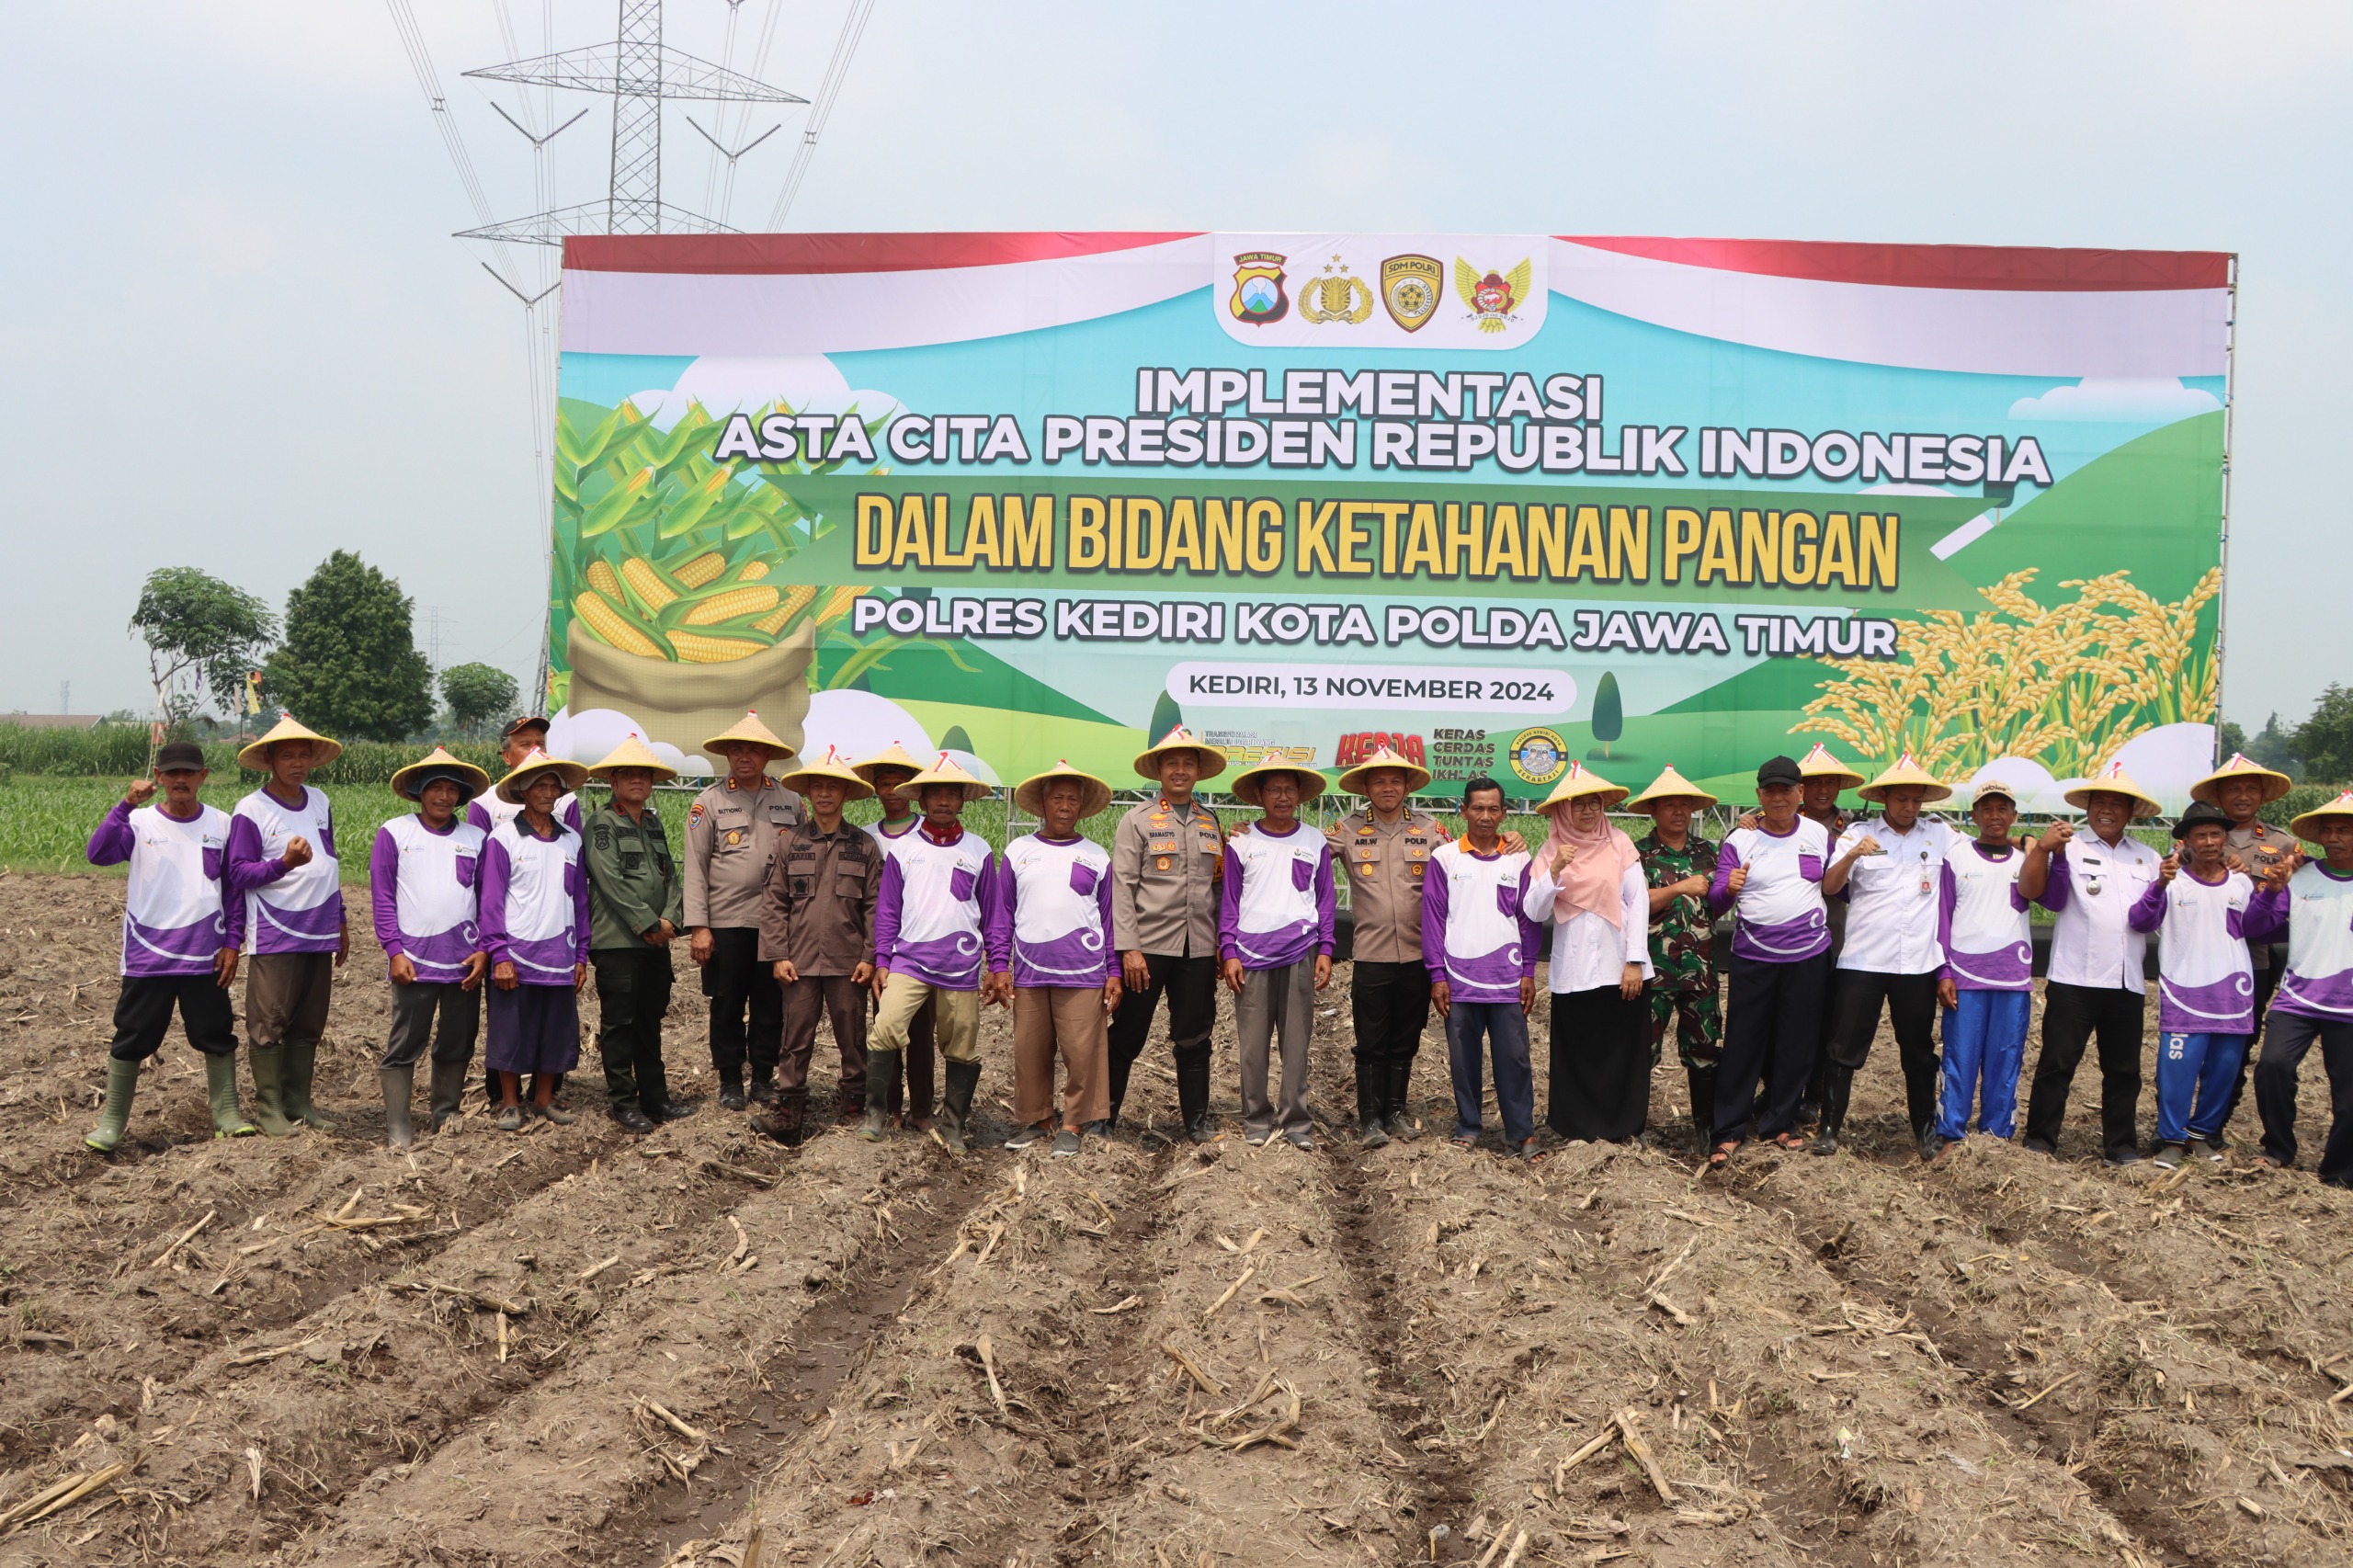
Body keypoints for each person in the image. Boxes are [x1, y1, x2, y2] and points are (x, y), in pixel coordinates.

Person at [83, 741, 256, 1149]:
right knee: (133, 1036)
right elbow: (98, 854)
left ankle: (227, 1114)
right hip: (150, 954)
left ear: (203, 777)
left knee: (215, 1033)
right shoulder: (140, 823)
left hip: (206, 954)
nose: (181, 780)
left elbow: (233, 890)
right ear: (159, 778)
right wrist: (123, 805)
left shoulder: (222, 823)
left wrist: (233, 941)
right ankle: (112, 1123)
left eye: (189, 773)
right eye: (172, 773)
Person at [1815, 754, 1961, 1158]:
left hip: (1916, 963)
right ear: (1884, 798)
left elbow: (1984, 847)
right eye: (1901, 799)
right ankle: (1829, 1129)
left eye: (1916, 800)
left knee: (1918, 1052)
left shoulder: (1939, 835)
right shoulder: (1858, 834)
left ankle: (1926, 1133)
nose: (1909, 808)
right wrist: (1852, 855)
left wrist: (2030, 843)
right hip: (1863, 960)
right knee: (1843, 1049)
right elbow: (1829, 886)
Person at [2020, 762, 2165, 1164]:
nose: (2107, 810)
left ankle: (2120, 1147)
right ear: (2087, 807)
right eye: (2099, 802)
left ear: (2131, 811)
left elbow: (2153, 916)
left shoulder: (2148, 859)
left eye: (2117, 804)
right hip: (2074, 977)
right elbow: (2046, 897)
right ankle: (2040, 1141)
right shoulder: (2070, 847)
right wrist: (2044, 848)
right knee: (2057, 1064)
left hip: (2127, 981)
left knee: (2123, 1072)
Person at [2132, 801, 2288, 1168]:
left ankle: (2201, 1136)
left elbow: (2258, 928)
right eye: (2199, 834)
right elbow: (2140, 921)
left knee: (2223, 1073)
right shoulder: (2173, 881)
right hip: (2184, 996)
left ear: (2224, 838)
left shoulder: (2240, 882)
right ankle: (2172, 1139)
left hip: (2234, 997)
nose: (2208, 841)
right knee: (2177, 1074)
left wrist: (2271, 893)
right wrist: (2158, 884)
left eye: (2215, 834)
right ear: (2185, 840)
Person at [867, 755, 1006, 1153]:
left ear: (962, 801)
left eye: (951, 795)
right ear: (923, 801)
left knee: (960, 1043)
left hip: (961, 965)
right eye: (936, 795)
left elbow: (993, 915)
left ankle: (953, 1125)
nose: (943, 802)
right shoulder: (904, 849)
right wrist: (882, 960)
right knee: (887, 1027)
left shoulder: (979, 850)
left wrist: (998, 964)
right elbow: (888, 910)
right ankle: (876, 1114)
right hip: (908, 959)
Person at [1705, 755, 1835, 1169]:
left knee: (1796, 1042)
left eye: (1786, 790)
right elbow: (1715, 901)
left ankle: (1781, 1122)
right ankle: (1728, 1129)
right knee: (1744, 1043)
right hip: (1754, 956)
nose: (1778, 798)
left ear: (1800, 794)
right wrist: (1728, 888)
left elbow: (1835, 883)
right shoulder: (1740, 840)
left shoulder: (1818, 833)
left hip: (1808, 955)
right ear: (1759, 796)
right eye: (1770, 791)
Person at [223, 713, 347, 1137]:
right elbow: (238, 873)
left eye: (303, 756)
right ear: (270, 761)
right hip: (276, 931)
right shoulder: (251, 810)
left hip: (319, 926)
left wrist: (341, 921)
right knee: (269, 1020)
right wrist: (284, 864)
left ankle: (299, 1101)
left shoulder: (319, 801)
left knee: (309, 1021)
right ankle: (269, 1108)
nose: (297, 763)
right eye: (288, 756)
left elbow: (329, 863)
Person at [754, 745, 882, 1147]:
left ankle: (855, 1108)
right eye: (818, 787)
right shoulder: (790, 842)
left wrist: (869, 956)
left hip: (848, 963)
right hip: (800, 961)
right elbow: (774, 902)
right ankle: (789, 1112)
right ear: (809, 793)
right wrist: (777, 955)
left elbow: (876, 907)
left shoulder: (864, 846)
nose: (825, 794)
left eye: (833, 787)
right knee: (794, 1039)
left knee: (853, 1036)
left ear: (845, 794)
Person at [1107, 726, 1230, 1140]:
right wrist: (1129, 949)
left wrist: (1217, 943)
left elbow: (1218, 885)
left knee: (1195, 1038)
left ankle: (1196, 1121)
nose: (1180, 770)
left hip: (1197, 948)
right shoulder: (1136, 820)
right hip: (1149, 947)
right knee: (1127, 1034)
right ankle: (1103, 1117)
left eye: (1188, 763)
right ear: (1159, 771)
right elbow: (1122, 887)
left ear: (1198, 772)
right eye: (1172, 763)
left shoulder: (1211, 821)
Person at [996, 761, 1120, 1156]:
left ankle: (1073, 1123)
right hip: (1030, 969)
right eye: (1057, 799)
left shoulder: (1097, 855)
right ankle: (1039, 1120)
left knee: (1082, 1051)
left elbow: (1109, 918)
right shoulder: (1018, 851)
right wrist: (999, 964)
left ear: (1082, 806)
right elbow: (1003, 913)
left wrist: (1113, 969)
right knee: (1030, 1049)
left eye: (1072, 800)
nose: (1065, 807)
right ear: (1043, 805)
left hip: (1084, 971)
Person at [369, 747, 492, 1147]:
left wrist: (485, 950)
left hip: (464, 959)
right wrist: (394, 950)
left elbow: (489, 899)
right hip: (414, 960)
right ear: (419, 792)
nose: (443, 796)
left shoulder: (477, 838)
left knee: (458, 1039)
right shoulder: (396, 833)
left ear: (461, 795)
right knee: (405, 1041)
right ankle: (399, 1124)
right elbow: (383, 896)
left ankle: (446, 1115)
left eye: (451, 789)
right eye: (435, 788)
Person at [1524, 764, 1651, 1145]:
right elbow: (1534, 910)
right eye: (1577, 805)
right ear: (1563, 811)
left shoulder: (1620, 844)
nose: (1587, 812)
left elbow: (1638, 901)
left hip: (1618, 968)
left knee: (1620, 1050)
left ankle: (1624, 1126)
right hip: (1575, 968)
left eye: (1593, 804)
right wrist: (1556, 869)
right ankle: (1576, 1127)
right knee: (1577, 1050)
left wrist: (1634, 961)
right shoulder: (1549, 851)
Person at [685, 711, 804, 1111]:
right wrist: (700, 926)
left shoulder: (791, 801)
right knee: (728, 1003)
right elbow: (696, 867)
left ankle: (764, 1079)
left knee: (772, 1006)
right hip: (727, 923)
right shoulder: (709, 802)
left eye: (753, 749)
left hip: (776, 923)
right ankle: (731, 1080)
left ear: (768, 755)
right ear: (728, 755)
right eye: (737, 749)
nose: (744, 756)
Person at [1327, 744, 1443, 1146]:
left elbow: (1464, 868)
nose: (1388, 787)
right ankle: (1369, 1119)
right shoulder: (1346, 829)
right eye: (1379, 781)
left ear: (1408, 786)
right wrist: (1244, 832)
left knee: (1406, 1038)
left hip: (1418, 954)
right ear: (1366, 787)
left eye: (1396, 780)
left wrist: (1508, 841)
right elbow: (1300, 852)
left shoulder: (1430, 830)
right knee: (1371, 1041)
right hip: (1371, 955)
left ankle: (1395, 1112)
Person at [1219, 753, 1336, 1150]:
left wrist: (1326, 948)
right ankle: (1256, 1117)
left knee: (1296, 1042)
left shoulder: (1314, 840)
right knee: (1252, 1045)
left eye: (1289, 789)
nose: (1282, 797)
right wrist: (1228, 949)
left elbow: (1325, 900)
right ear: (1259, 794)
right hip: (1250, 954)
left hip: (1301, 951)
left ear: (1299, 794)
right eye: (1274, 790)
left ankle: (1296, 1120)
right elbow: (1229, 901)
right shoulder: (1241, 841)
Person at [1425, 776, 1540, 1156]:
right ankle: (1469, 1125)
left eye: (1494, 809)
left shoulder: (1519, 857)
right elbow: (1434, 919)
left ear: (1504, 813)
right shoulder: (1445, 858)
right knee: (1463, 1057)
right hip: (1458, 979)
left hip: (1506, 981)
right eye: (1478, 808)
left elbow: (1528, 920)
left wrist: (1528, 972)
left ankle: (1521, 1131)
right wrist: (1437, 976)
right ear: (1463, 811)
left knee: (1515, 1058)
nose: (1486, 816)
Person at [583, 734, 693, 1134]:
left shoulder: (653, 823)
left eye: (643, 775)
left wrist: (670, 921)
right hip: (618, 941)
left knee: (650, 1019)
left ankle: (656, 1097)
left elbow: (671, 878)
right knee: (620, 1022)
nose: (636, 781)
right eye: (627, 775)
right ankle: (623, 1101)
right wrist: (648, 923)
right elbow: (609, 880)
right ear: (613, 782)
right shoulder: (602, 823)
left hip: (656, 942)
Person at [477, 747, 591, 1130]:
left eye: (552, 786)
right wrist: (499, 952)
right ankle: (509, 1101)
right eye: (538, 785)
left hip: (561, 951)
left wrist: (582, 954)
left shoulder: (572, 840)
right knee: (511, 1029)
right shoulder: (503, 838)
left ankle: (544, 1098)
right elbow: (491, 900)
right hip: (517, 952)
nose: (546, 792)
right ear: (523, 792)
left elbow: (579, 899)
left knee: (555, 1029)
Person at [2192, 753, 2299, 1141]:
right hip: (2199, 958)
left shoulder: (2282, 843)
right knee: (2192, 1042)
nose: (2241, 796)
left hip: (2251, 962)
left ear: (2262, 796)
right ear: (2219, 795)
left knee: (2237, 1045)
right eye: (2233, 788)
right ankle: (2176, 1123)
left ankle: (2212, 1125)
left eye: (2250, 789)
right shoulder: (2198, 836)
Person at [2253, 790, 2353, 1181]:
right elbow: (2257, 928)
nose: (2334, 837)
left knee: (2348, 1098)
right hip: (2297, 999)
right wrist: (2273, 891)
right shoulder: (2301, 876)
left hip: (2348, 1007)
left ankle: (2340, 1169)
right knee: (2272, 1067)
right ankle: (2278, 1148)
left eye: (2344, 829)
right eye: (2328, 829)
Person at [1933, 780, 2035, 1149]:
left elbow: (2048, 896)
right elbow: (1942, 917)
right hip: (1966, 977)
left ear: (2014, 816)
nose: (1995, 816)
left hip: (2012, 978)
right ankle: (1951, 1134)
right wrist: (1943, 972)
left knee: (2005, 1060)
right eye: (1986, 809)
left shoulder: (2027, 860)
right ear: (1974, 815)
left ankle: (1996, 1136)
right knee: (1960, 1058)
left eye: (2002, 809)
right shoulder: (1957, 858)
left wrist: (2035, 848)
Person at [1628, 766, 1723, 1140]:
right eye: (1670, 805)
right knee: (1641, 1051)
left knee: (1703, 1050)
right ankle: (1632, 1126)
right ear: (1654, 810)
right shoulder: (1639, 854)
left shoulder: (1709, 851)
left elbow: (1722, 899)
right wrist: (1679, 888)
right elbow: (1633, 904)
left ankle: (1705, 1129)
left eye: (1685, 805)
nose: (1679, 812)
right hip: (1655, 971)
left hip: (1700, 971)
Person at [854, 742, 938, 1128]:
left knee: (922, 1033)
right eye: (884, 784)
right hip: (886, 947)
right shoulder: (867, 837)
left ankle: (921, 1109)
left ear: (912, 789)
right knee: (885, 1026)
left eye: (898, 783)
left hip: (925, 945)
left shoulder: (930, 831)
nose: (890, 791)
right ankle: (888, 1108)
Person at [467, 716, 584, 835]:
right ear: (507, 756)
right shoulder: (485, 801)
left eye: (540, 744)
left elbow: (575, 843)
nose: (535, 751)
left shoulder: (566, 798)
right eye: (525, 744)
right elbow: (480, 849)